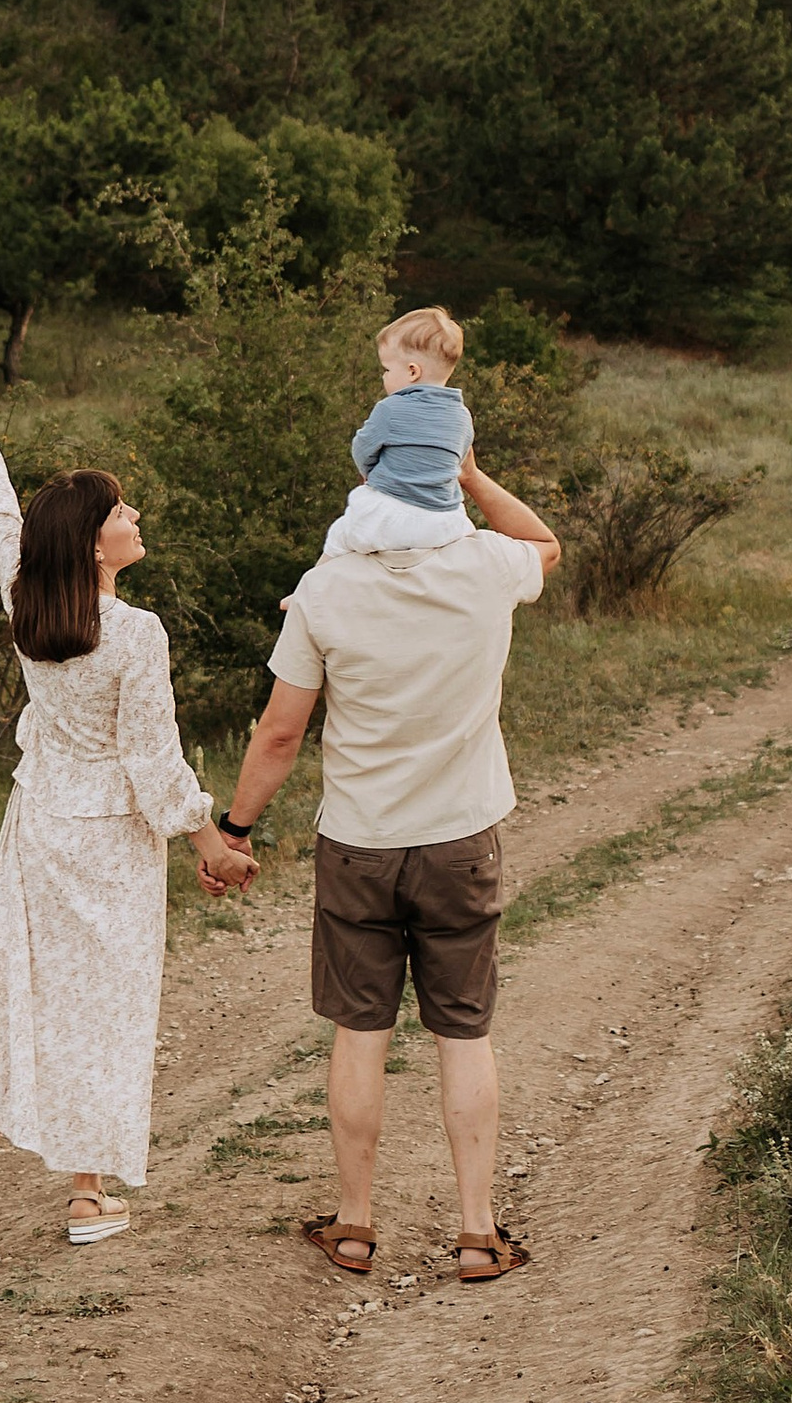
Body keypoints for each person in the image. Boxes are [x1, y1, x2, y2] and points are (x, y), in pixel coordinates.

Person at [0, 349, 253, 1271]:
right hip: (114, 842)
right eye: (121, 511)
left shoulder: (28, 597)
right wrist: (211, 838)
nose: (133, 518)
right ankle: (87, 1195)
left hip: (41, 825)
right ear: (94, 542)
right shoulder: (135, 634)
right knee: (106, 1008)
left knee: (17, 991)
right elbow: (153, 759)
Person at [198, 438, 561, 1284]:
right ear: (442, 479)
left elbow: (281, 732)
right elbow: (546, 544)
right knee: (463, 1034)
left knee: (359, 1033)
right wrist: (473, 477)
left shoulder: (325, 589)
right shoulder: (485, 567)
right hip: (460, 839)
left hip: (359, 843)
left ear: (366, 479)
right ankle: (477, 1233)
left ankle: (356, 1226)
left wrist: (235, 831)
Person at [314, 306, 476, 559]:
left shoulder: (390, 409)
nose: (384, 376)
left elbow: (362, 449)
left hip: (391, 516)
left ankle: (312, 588)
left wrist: (370, 473)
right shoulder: (463, 416)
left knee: (340, 535)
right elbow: (459, 460)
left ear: (413, 371)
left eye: (387, 369)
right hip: (442, 522)